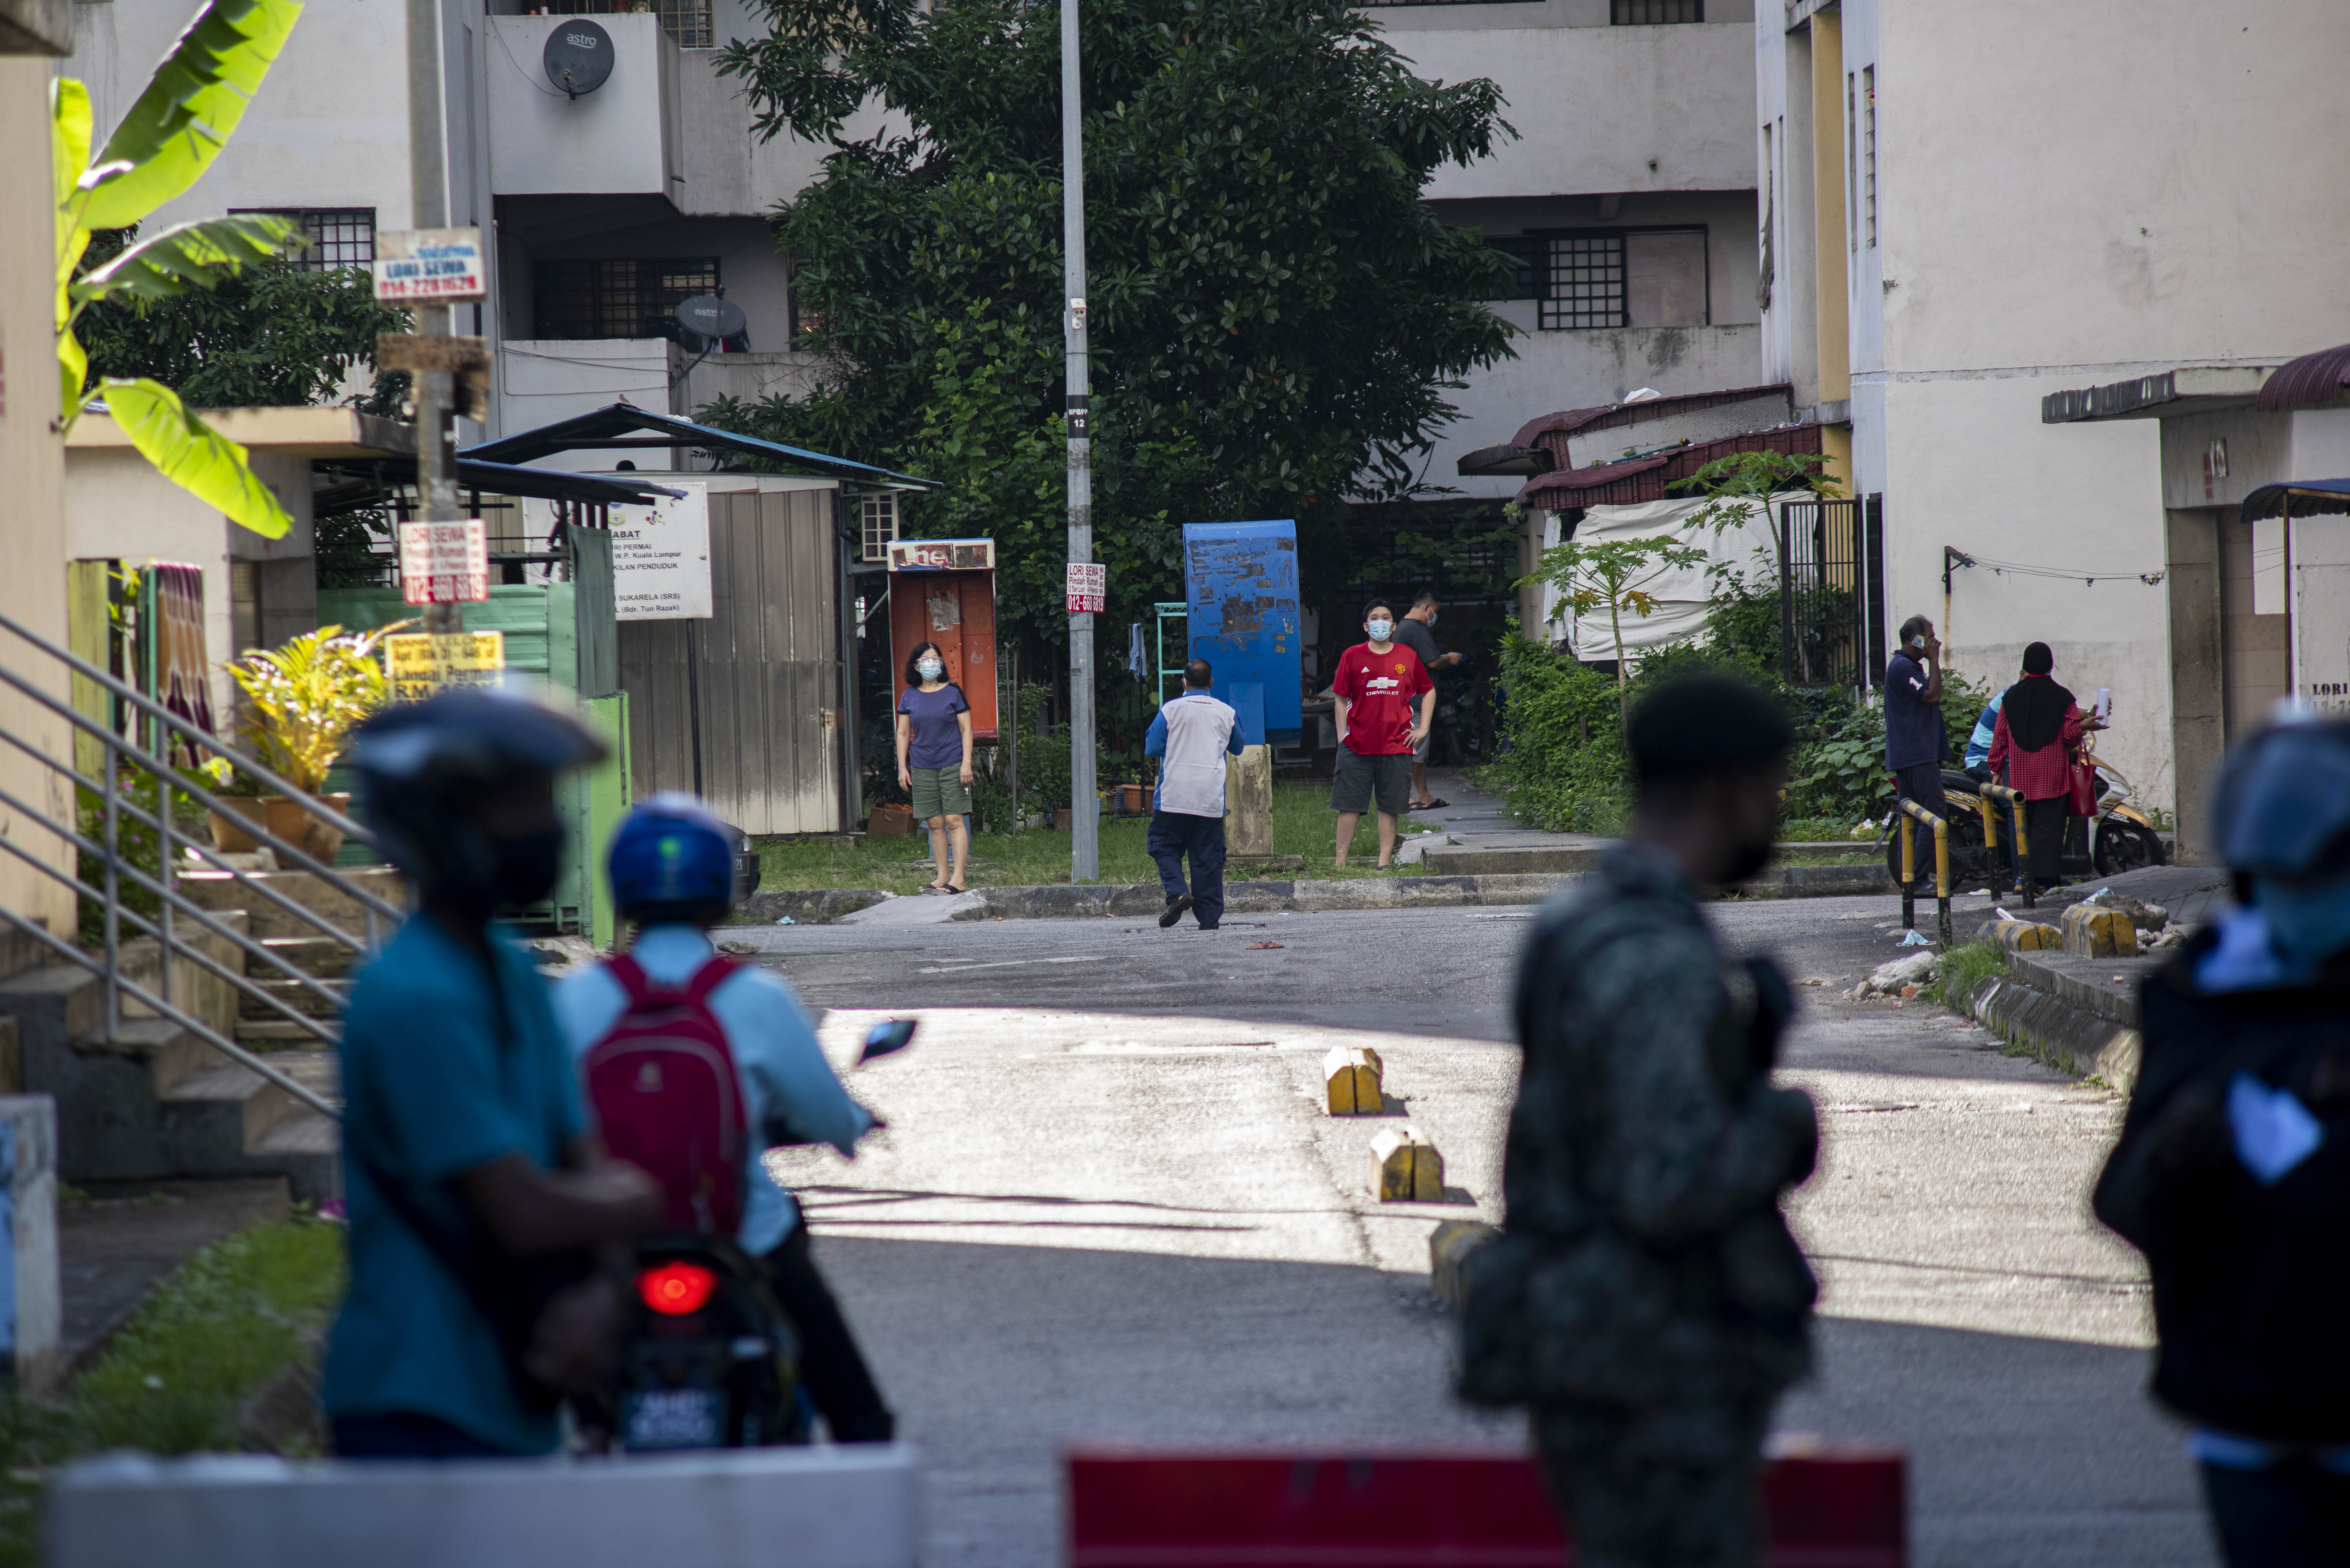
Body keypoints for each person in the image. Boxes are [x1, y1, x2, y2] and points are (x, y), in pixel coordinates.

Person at [1459, 674, 1820, 1568]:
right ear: (1727, 789)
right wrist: (1783, 1122)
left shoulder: (1582, 917)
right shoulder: (1659, 960)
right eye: (1769, 790)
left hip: (1601, 1353)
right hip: (1653, 1372)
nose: (1771, 815)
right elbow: (1673, 1182)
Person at [324, 688, 666, 1459]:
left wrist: (609, 1284)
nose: (547, 826)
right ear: (439, 823)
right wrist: (639, 1201)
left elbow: (579, 1155)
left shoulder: (510, 971)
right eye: (518, 804)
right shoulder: (415, 997)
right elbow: (523, 1208)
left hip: (519, 1385)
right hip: (420, 1398)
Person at [553, 794, 896, 1443]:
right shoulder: (754, 995)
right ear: (723, 889)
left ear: (621, 889)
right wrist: (851, 1126)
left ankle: (591, 1432)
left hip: (606, 1238)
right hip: (741, 1234)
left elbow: (544, 1116)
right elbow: (825, 1112)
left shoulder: (577, 997)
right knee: (854, 1406)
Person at [2093, 720, 2350, 1567]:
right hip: (2243, 1407)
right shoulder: (2198, 995)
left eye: (2319, 874)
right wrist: (2176, 1158)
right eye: (2279, 878)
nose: (2300, 897)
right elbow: (2123, 1201)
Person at [1985, 642, 2105, 889]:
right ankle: (2042, 881)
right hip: (2052, 776)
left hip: (2020, 777)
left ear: (2025, 666)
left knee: (2024, 828)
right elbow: (2071, 737)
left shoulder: (2010, 697)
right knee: (2048, 829)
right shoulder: (2064, 697)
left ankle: (2024, 878)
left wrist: (1996, 769)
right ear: (2051, 665)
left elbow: (2000, 736)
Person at [1143, 658, 1244, 931]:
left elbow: (1152, 748)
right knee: (1208, 856)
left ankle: (1177, 892)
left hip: (1174, 796)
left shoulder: (1171, 710)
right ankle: (1209, 917)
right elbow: (1238, 748)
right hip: (1210, 799)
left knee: (1162, 844)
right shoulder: (1227, 713)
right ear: (1211, 683)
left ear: (1184, 682)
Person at [1331, 603, 1433, 871]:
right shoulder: (1352, 656)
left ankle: (1384, 863)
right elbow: (1341, 698)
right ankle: (1340, 863)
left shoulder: (1408, 656)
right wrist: (1342, 736)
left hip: (1396, 746)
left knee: (1389, 807)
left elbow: (1429, 690)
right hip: (1356, 745)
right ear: (1366, 627)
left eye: (1386, 618)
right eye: (1374, 619)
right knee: (1349, 806)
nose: (1380, 622)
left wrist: (1422, 729)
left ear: (1394, 626)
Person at [896, 640, 974, 894]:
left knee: (954, 820)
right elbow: (903, 733)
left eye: (935, 658)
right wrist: (902, 768)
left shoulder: (953, 692)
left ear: (941, 663)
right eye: (925, 660)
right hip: (922, 765)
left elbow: (966, 729)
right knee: (935, 823)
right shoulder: (909, 696)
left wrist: (967, 764)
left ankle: (959, 879)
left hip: (952, 763)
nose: (931, 663)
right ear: (916, 666)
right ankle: (942, 877)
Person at [1884, 614, 1948, 875]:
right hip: (1915, 755)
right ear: (1916, 639)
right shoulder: (1903, 667)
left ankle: (1911, 877)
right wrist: (1934, 660)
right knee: (1933, 813)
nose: (1936, 642)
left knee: (1911, 817)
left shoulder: (1908, 666)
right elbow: (1932, 696)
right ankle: (1919, 878)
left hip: (1913, 753)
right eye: (1930, 637)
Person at [1391, 591, 1464, 810]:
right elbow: (1432, 662)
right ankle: (1405, 796)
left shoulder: (1405, 627)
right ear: (1427, 608)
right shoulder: (1415, 629)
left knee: (1418, 751)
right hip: (1413, 701)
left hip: (1409, 699)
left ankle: (1424, 795)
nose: (1435, 616)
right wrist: (1450, 658)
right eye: (1436, 612)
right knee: (1412, 749)